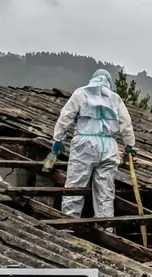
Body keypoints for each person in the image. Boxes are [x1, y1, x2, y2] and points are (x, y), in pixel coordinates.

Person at [51, 69, 136, 219]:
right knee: (105, 193)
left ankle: (69, 223)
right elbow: (126, 124)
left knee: (75, 186)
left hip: (85, 144)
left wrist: (58, 139)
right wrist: (130, 145)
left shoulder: (81, 93)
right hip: (109, 146)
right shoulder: (115, 98)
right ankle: (105, 228)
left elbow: (66, 116)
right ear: (109, 82)